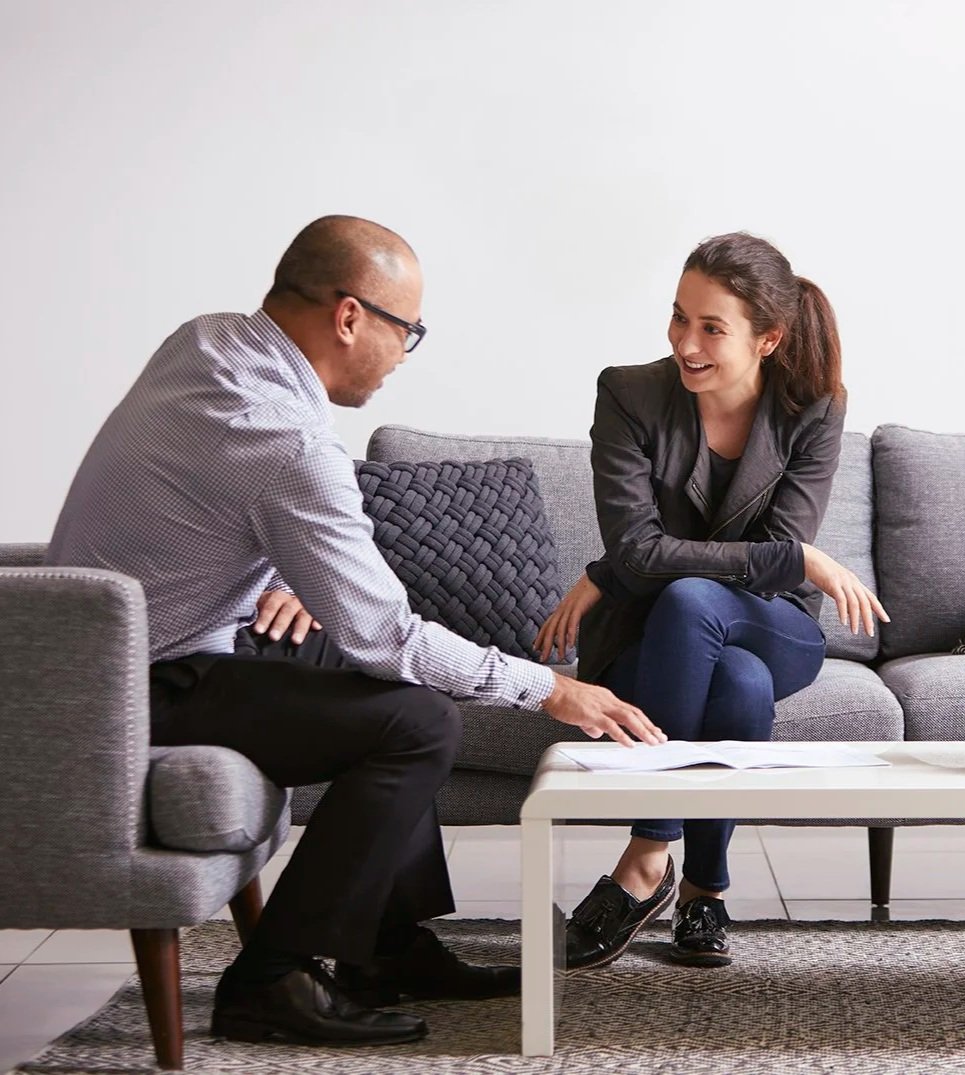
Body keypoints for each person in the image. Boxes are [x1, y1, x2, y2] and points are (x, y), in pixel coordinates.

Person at [45, 215, 665, 1047]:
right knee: (417, 719)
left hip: (103, 659)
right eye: (407, 330)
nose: (406, 352)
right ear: (349, 317)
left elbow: (201, 498)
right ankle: (270, 978)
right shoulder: (286, 440)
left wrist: (282, 571)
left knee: (364, 667)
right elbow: (390, 637)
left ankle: (383, 946)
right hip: (140, 688)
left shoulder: (208, 343)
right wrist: (550, 686)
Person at [535, 231, 888, 971]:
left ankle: (645, 855)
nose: (684, 343)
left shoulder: (813, 408)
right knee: (737, 681)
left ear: (767, 339)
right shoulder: (629, 394)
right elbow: (638, 546)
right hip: (648, 641)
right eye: (677, 317)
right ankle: (704, 890)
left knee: (703, 604)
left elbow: (731, 564)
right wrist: (795, 558)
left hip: (776, 626)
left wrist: (621, 569)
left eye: (710, 328)